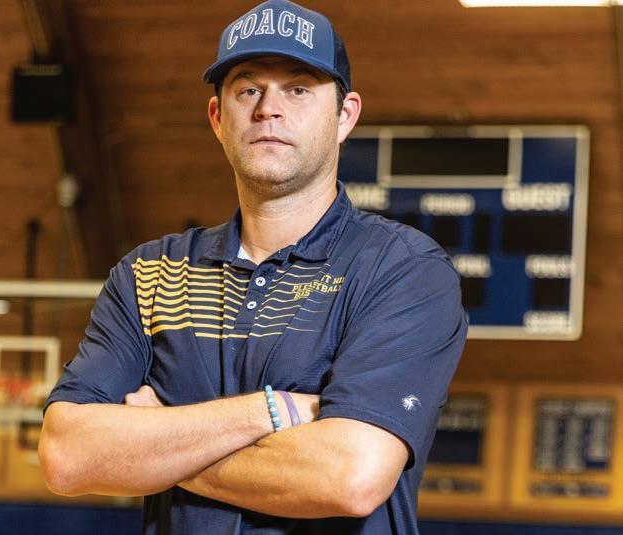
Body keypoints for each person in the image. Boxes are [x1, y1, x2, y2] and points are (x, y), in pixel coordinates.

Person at [38, 0, 468, 533]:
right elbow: (67, 455)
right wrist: (269, 412)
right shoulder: (148, 274)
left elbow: (349, 476)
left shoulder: (402, 270)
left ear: (345, 116)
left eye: (299, 89)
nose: (268, 109)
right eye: (247, 90)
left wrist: (159, 444)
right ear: (218, 118)